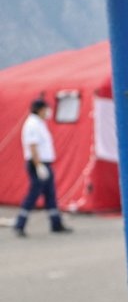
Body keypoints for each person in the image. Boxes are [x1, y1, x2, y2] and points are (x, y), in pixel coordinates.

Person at [14, 98, 72, 237]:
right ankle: (20, 224)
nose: (48, 112)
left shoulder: (40, 123)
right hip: (37, 164)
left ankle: (56, 223)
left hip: (45, 164)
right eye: (46, 109)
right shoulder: (32, 124)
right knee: (34, 194)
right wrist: (39, 165)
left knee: (50, 194)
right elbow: (32, 146)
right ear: (40, 110)